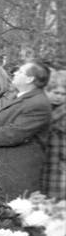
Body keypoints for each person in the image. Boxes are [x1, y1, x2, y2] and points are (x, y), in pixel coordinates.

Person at [0, 62, 52, 200]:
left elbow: (16, 132)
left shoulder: (37, 102)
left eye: (20, 72)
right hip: (4, 169)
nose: (15, 73)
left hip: (16, 173)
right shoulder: (25, 98)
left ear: (30, 79)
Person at [42, 70, 66, 200]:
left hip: (60, 163)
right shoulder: (44, 109)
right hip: (44, 160)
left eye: (64, 94)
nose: (59, 97)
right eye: (56, 93)